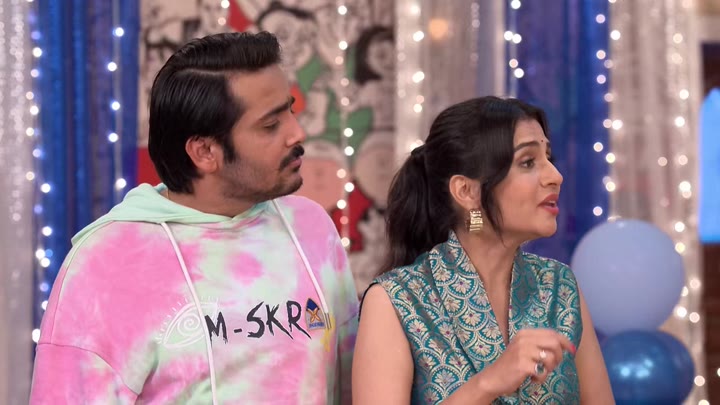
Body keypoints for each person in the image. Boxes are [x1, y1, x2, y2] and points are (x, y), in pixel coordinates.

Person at [30, 32, 358, 404]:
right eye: (270, 125)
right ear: (204, 152)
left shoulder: (310, 227)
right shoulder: (106, 262)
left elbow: (352, 382)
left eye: (290, 111)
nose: (297, 133)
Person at [352, 97, 614, 404]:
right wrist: (489, 382)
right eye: (528, 162)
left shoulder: (560, 287)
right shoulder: (397, 299)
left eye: (548, 157)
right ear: (467, 191)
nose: (555, 176)